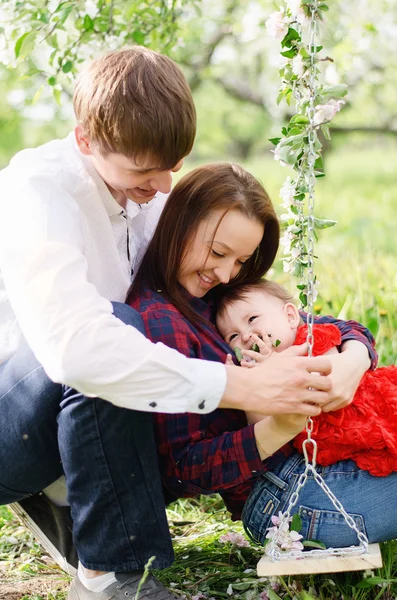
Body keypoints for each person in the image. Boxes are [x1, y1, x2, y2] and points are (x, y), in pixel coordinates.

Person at [0, 47, 337, 600]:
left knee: (127, 333)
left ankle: (72, 504)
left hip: (72, 426)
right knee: (113, 329)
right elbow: (74, 352)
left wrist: (345, 350)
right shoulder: (37, 193)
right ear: (85, 139)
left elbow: (248, 299)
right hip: (9, 418)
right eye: (143, 170)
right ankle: (115, 574)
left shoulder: (152, 197)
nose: (161, 186)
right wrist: (240, 385)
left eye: (172, 167)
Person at [127, 161, 397, 551]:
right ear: (179, 224)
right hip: (283, 495)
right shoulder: (161, 323)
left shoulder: (213, 291)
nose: (225, 273)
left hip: (319, 461)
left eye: (239, 261)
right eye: (219, 252)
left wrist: (351, 362)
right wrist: (279, 426)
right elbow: (183, 471)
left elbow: (328, 325)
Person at [216, 278, 397, 477]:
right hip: (343, 454)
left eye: (252, 319)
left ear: (291, 317)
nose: (245, 336)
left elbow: (326, 384)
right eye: (232, 336)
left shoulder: (312, 340)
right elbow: (262, 425)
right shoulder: (256, 375)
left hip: (378, 414)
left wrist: (276, 367)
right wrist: (245, 385)